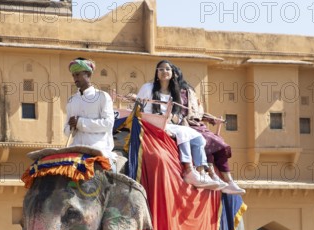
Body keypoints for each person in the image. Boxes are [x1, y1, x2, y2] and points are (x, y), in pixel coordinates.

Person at [134, 60, 220, 190]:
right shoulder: (148, 88)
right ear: (157, 73)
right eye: (161, 69)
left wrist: (175, 118)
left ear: (173, 73)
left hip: (169, 124)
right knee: (183, 132)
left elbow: (178, 114)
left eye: (168, 69)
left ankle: (201, 171)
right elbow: (138, 107)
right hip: (151, 122)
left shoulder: (175, 93)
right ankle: (188, 170)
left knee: (198, 138)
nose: (164, 72)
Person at [172, 65, 246, 195]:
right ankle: (213, 175)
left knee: (220, 145)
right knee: (211, 141)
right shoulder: (167, 93)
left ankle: (229, 180)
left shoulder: (189, 91)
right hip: (184, 126)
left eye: (174, 74)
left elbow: (196, 112)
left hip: (197, 125)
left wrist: (212, 120)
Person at [64, 58, 116, 167]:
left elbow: (108, 123)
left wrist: (80, 122)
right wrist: (71, 126)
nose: (75, 78)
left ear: (88, 74)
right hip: (76, 147)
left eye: (77, 74)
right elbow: (66, 131)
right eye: (73, 75)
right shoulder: (71, 100)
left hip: (97, 148)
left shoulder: (102, 96)